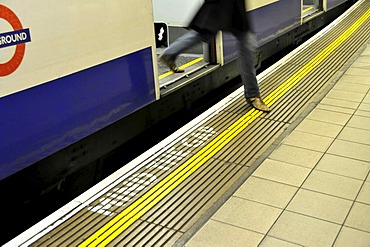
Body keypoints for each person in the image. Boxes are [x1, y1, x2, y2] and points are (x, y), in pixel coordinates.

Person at [160, 0, 270, 112]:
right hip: (225, 5)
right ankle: (253, 95)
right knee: (246, 44)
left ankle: (170, 53)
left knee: (205, 33)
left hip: (229, 5)